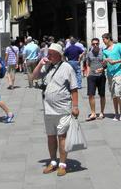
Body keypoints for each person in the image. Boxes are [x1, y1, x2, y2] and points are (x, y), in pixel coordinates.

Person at [32, 42, 79, 177]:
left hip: (63, 108)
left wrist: (75, 106)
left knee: (62, 137)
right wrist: (40, 64)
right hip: (48, 109)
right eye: (48, 54)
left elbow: (74, 88)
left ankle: (62, 164)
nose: (49, 56)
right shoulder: (47, 67)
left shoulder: (67, 68)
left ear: (59, 55)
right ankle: (53, 161)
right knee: (51, 137)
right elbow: (33, 77)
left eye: (51, 54)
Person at [102, 33, 121, 121]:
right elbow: (104, 64)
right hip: (109, 74)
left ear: (108, 39)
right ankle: (116, 113)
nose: (103, 41)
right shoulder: (104, 50)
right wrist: (105, 61)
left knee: (118, 93)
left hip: (118, 73)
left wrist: (116, 62)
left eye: (104, 39)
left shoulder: (118, 46)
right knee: (113, 95)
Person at [85, 37, 105, 120]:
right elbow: (88, 64)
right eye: (93, 44)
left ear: (99, 43)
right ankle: (93, 113)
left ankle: (102, 112)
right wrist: (88, 73)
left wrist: (103, 69)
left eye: (97, 43)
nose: (95, 45)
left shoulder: (103, 52)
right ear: (91, 44)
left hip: (101, 75)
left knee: (102, 95)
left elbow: (106, 63)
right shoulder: (89, 53)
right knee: (91, 94)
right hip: (92, 76)